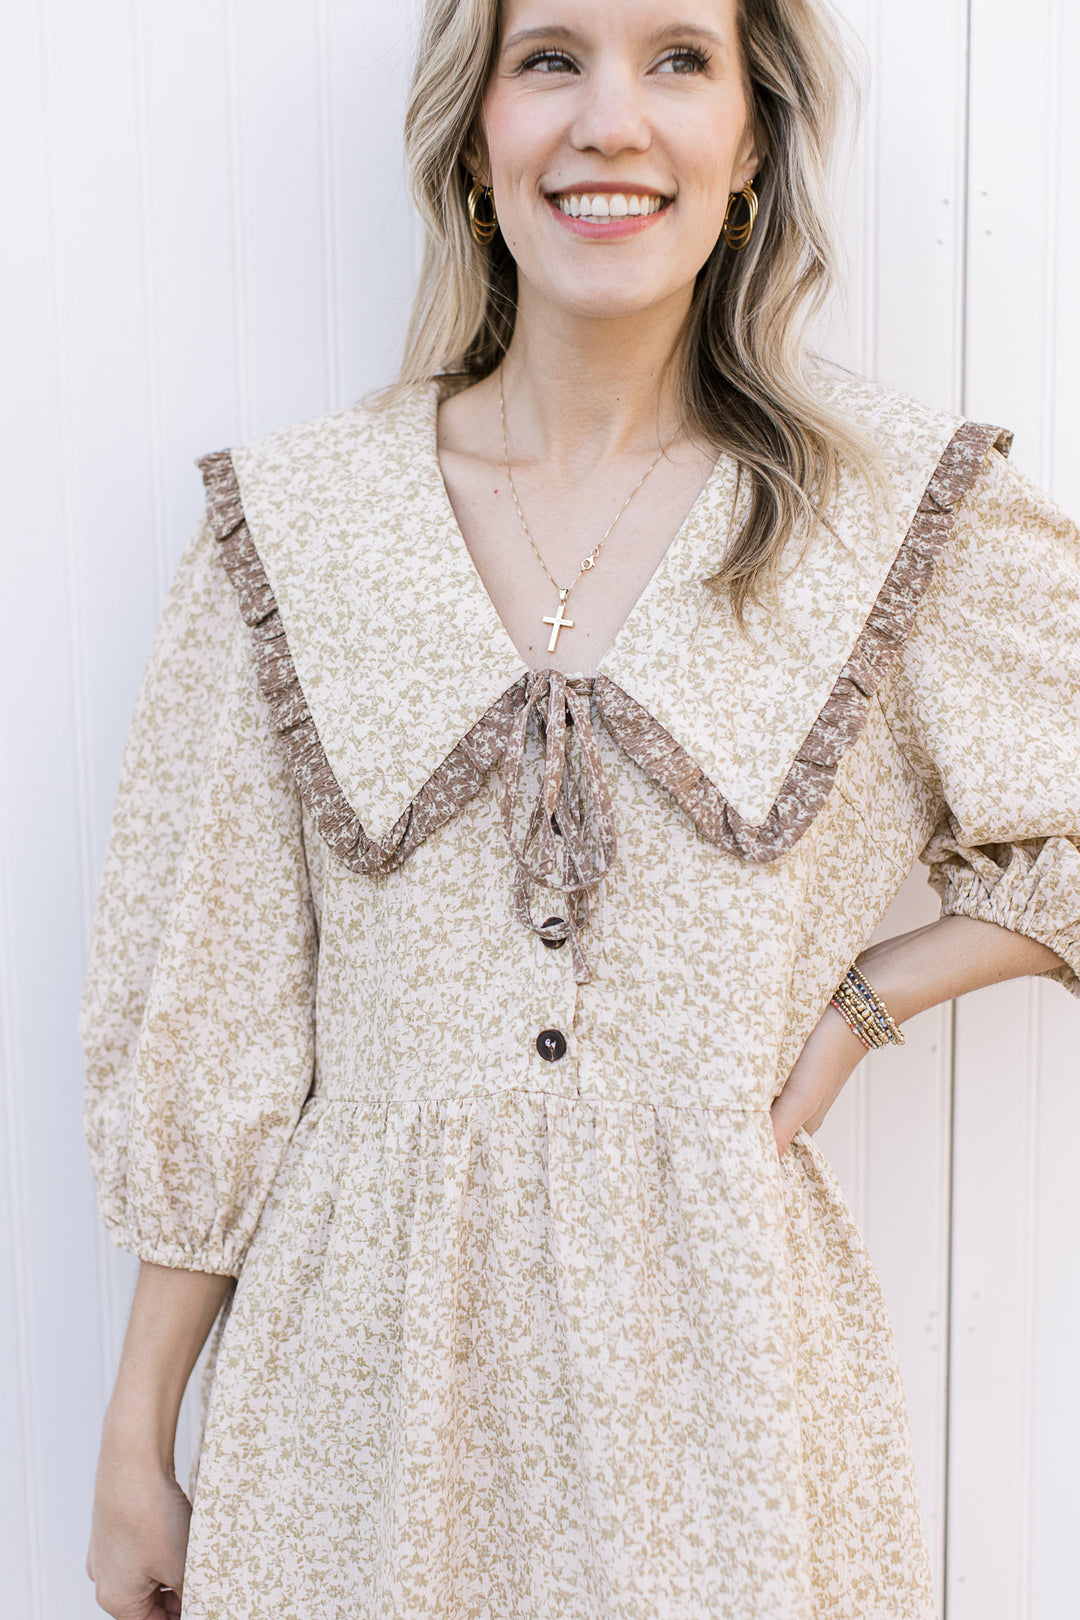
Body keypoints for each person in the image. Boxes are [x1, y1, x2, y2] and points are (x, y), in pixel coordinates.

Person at [82, 0, 1080, 1616]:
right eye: (551, 57)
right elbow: (217, 1017)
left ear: (750, 138)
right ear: (474, 132)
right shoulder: (295, 531)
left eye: (678, 58)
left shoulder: (886, 517)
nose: (611, 120)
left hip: (732, 1392)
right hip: (358, 1401)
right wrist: (135, 1437)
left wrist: (866, 999)